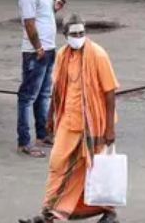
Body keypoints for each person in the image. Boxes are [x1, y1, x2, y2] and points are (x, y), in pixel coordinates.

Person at [20, 15, 120, 223]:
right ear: (65, 36)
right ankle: (51, 211)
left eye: (81, 33)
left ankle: (58, 213)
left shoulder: (98, 55)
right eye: (74, 34)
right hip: (67, 120)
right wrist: (50, 118)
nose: (78, 37)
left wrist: (110, 128)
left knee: (88, 170)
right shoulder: (62, 55)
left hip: (92, 123)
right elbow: (58, 89)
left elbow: (110, 92)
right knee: (57, 164)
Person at [17, 0, 65, 158]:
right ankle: (24, 142)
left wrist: (55, 7)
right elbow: (29, 23)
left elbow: (42, 13)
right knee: (28, 97)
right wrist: (38, 48)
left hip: (48, 48)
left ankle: (43, 134)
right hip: (36, 52)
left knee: (44, 94)